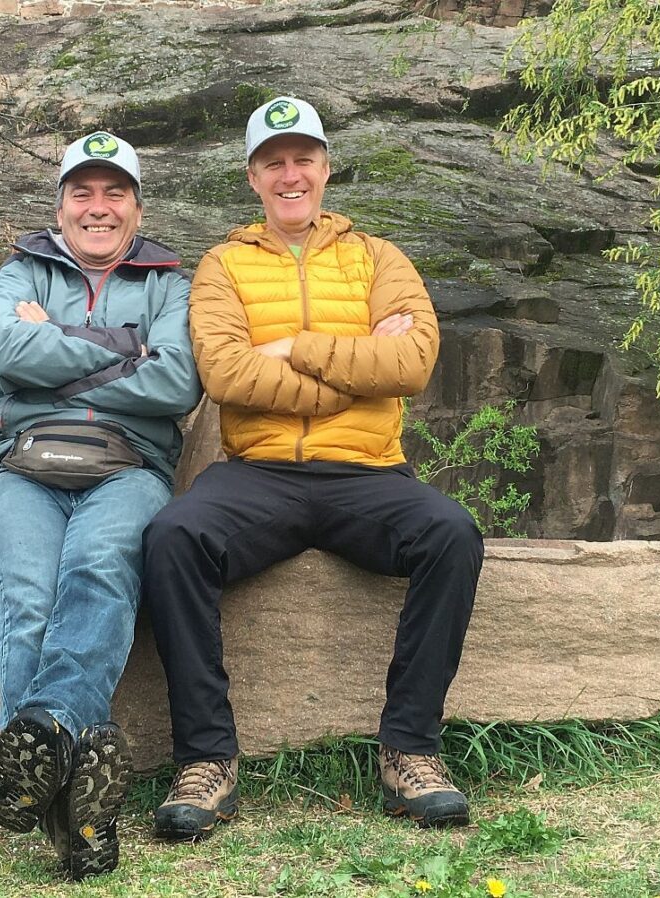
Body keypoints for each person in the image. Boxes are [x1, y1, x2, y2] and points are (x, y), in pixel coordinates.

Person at [142, 97, 484, 840]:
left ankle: (410, 750)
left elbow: (414, 361)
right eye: (274, 162)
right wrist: (360, 360)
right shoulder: (223, 265)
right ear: (253, 177)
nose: (290, 174)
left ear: (326, 168)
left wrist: (295, 345)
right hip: (256, 473)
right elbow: (228, 374)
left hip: (367, 472)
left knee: (451, 532)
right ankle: (206, 760)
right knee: (173, 536)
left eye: (303, 159)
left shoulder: (378, 257)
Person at [0, 130, 201, 878]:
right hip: (25, 465)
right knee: (30, 593)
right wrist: (125, 350)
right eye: (83, 192)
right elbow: (7, 354)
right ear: (61, 203)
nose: (97, 207)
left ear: (136, 208)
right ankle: (75, 818)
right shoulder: (20, 271)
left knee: (101, 564)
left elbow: (177, 384)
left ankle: (39, 755)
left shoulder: (170, 282)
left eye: (114, 193)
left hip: (128, 465)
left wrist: (60, 348)